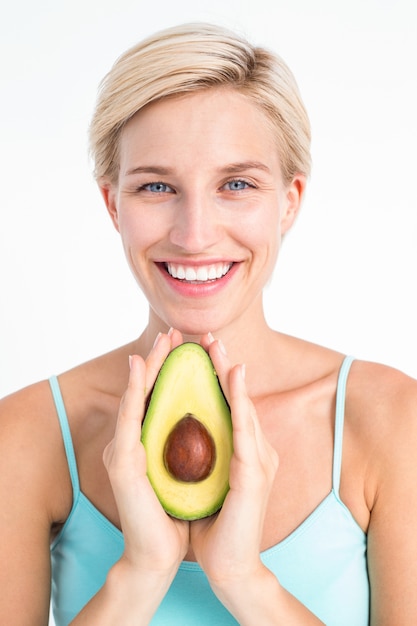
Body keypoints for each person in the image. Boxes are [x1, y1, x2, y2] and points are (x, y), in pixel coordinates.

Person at [1, 21, 416, 626]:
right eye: (156, 186)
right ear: (113, 204)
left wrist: (245, 580)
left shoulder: (390, 420)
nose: (194, 235)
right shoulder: (28, 434)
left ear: (291, 199)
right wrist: (138, 575)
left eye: (237, 184)